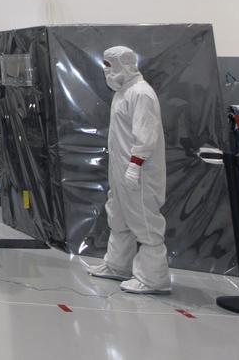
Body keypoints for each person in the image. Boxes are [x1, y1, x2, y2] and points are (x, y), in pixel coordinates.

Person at [87, 46, 170, 294]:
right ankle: (117, 265)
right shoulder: (122, 93)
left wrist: (135, 165)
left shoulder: (141, 93)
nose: (106, 71)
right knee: (119, 217)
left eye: (109, 65)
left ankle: (154, 279)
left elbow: (146, 134)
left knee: (144, 221)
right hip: (121, 167)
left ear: (125, 64)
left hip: (139, 170)